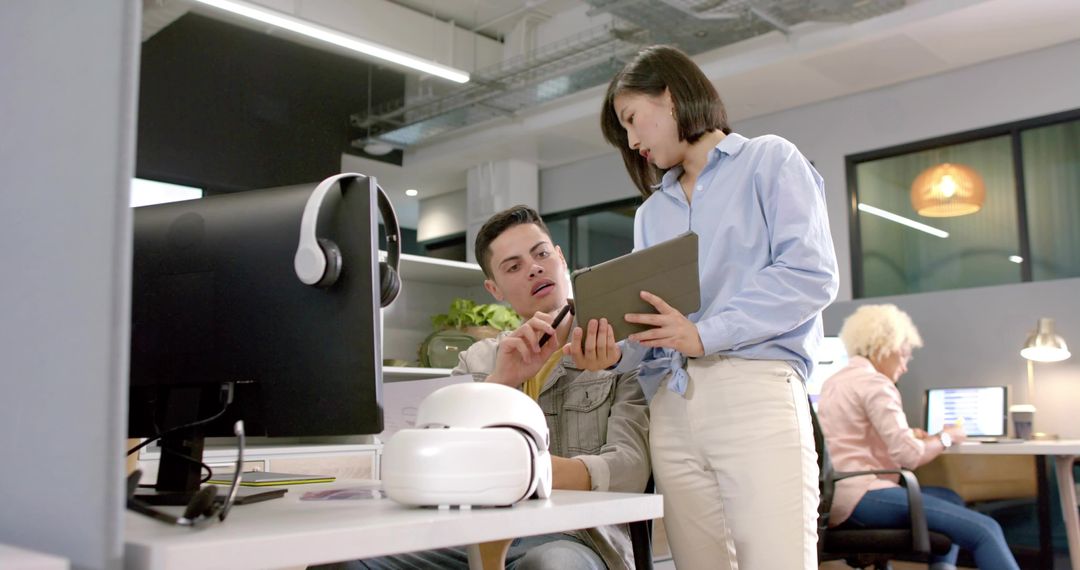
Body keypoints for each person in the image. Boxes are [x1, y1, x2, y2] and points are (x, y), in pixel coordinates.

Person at [597, 45, 839, 570]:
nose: (633, 141)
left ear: (669, 94)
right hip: (672, 407)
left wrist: (705, 334)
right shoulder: (651, 213)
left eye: (632, 120)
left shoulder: (769, 160)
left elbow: (810, 275)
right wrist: (612, 356)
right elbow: (654, 326)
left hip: (754, 389)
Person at [314, 205, 650, 570]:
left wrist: (524, 471)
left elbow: (630, 469)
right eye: (513, 266)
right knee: (343, 563)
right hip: (472, 533)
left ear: (560, 258)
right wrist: (501, 382)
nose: (534, 268)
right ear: (495, 289)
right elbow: (434, 462)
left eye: (540, 254)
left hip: (576, 536)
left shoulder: (620, 354)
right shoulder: (478, 361)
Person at [817, 304, 1020, 570]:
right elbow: (909, 456)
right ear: (884, 346)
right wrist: (946, 438)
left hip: (834, 497)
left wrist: (910, 436)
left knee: (949, 499)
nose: (904, 366)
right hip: (862, 497)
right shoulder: (876, 384)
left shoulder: (835, 382)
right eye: (904, 356)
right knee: (986, 530)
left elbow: (850, 436)